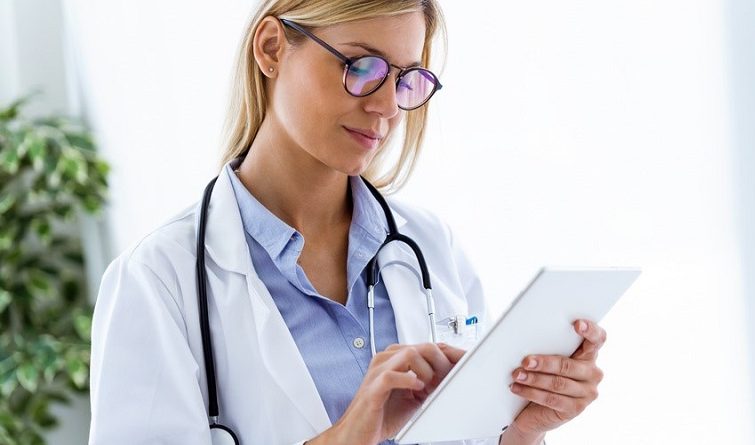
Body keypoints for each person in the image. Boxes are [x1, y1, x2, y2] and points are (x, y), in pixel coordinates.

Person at [88, 1, 607, 444]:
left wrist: (520, 430)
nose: (385, 107)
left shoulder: (430, 246)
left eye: (406, 79)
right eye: (362, 67)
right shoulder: (157, 281)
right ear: (271, 48)